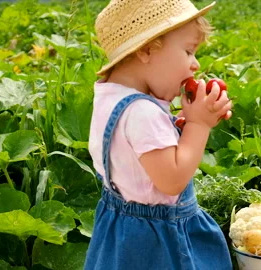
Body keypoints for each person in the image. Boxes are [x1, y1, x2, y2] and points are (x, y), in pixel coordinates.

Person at [83, 0, 233, 269]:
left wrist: (181, 128)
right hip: (159, 246)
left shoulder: (110, 96)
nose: (195, 64)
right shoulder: (142, 112)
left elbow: (134, 156)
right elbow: (172, 180)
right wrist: (199, 126)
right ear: (147, 50)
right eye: (188, 51)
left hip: (123, 235)